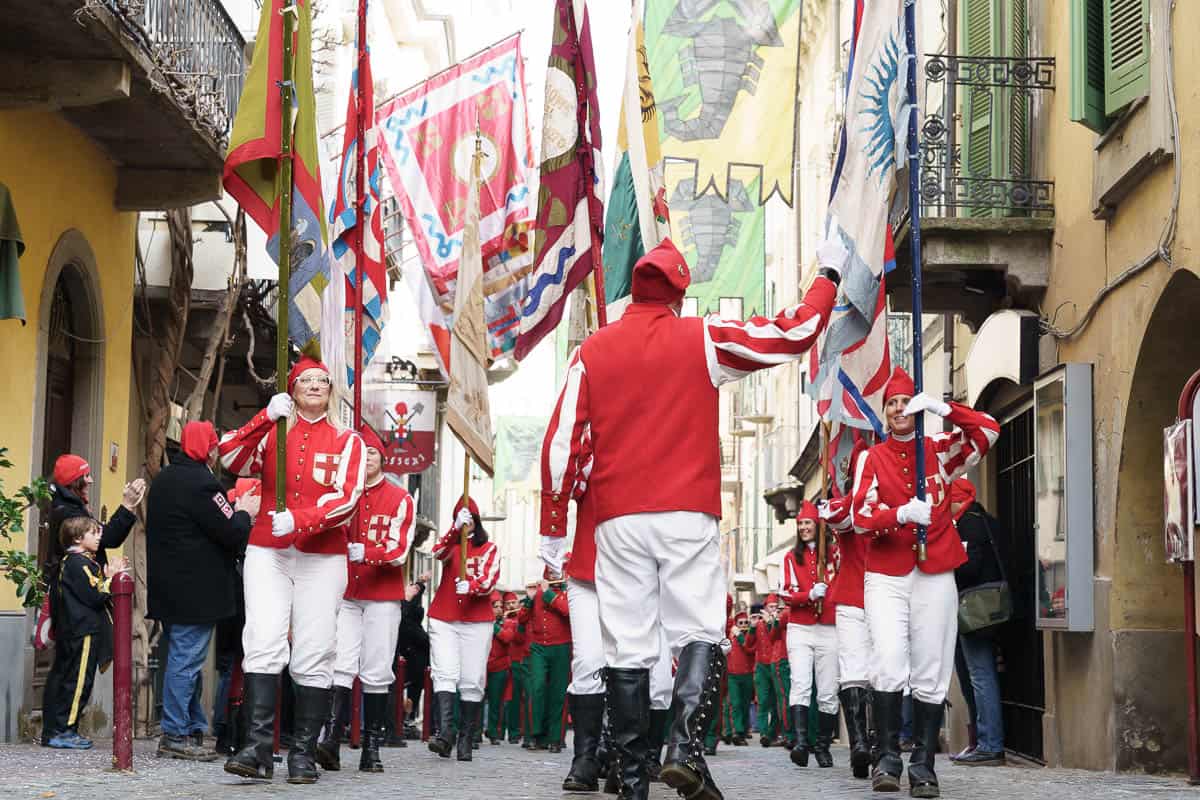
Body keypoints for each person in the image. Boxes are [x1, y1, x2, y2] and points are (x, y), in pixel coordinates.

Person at [540, 236, 842, 800]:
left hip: (617, 518)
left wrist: (553, 527)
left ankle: (632, 782)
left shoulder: (592, 350)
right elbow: (793, 333)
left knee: (627, 648)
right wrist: (828, 277)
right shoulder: (701, 335)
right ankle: (683, 750)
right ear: (679, 295)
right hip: (687, 509)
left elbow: (561, 445)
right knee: (700, 631)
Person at [851, 367, 999, 797]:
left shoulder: (938, 450)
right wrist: (898, 514)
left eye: (906, 402)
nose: (899, 409)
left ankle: (922, 765)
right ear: (884, 413)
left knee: (932, 669)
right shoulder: (871, 458)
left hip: (934, 569)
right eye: (892, 404)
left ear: (916, 409)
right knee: (889, 661)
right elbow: (860, 517)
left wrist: (944, 408)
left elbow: (988, 431)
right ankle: (886, 758)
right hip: (887, 574)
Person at [219, 356, 366, 783]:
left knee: (314, 649)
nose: (314, 386)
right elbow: (230, 458)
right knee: (262, 639)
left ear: (331, 390)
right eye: (305, 380)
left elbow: (348, 499)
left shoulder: (348, 441)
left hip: (323, 555)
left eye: (322, 380)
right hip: (269, 548)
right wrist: (264, 418)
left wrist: (302, 520)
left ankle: (302, 753)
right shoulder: (274, 430)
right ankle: (257, 747)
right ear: (292, 388)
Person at [146, 421, 259, 761]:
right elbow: (231, 532)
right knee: (186, 661)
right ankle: (174, 734)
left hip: (168, 589)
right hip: (196, 592)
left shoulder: (164, 479)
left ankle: (192, 726)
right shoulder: (204, 485)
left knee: (183, 657)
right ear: (209, 450)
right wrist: (244, 513)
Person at [315, 425, 414, 773]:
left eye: (371, 452)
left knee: (376, 668)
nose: (366, 458)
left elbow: (400, 550)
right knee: (340, 662)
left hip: (382, 595)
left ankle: (371, 747)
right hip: (346, 592)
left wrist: (369, 553)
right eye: (361, 452)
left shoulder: (400, 498)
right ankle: (330, 739)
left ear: (382, 458)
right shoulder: (342, 494)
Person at [40, 455, 145, 746]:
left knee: (65, 671)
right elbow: (108, 540)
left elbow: (104, 538)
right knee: (75, 675)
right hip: (80, 617)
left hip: (73, 611)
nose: (91, 479)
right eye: (85, 476)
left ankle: (56, 730)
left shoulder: (67, 508)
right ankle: (62, 730)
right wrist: (127, 506)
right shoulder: (69, 516)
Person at [426, 496, 500, 761]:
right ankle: (446, 732)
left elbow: (490, 579)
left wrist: (473, 586)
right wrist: (454, 529)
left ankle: (466, 738)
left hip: (476, 620)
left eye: (468, 519)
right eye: (460, 518)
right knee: (444, 673)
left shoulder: (489, 548)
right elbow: (436, 553)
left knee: (472, 679)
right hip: (445, 616)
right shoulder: (452, 546)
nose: (466, 523)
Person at [45, 517, 122, 749]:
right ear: (78, 538)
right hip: (83, 630)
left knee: (71, 679)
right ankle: (65, 730)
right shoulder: (79, 564)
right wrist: (110, 578)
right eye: (93, 533)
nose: (99, 536)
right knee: (79, 682)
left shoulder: (70, 562)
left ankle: (61, 729)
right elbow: (95, 596)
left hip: (73, 630)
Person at [949, 478, 1007, 767]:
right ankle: (979, 741)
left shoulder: (969, 523)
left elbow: (969, 567)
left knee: (980, 675)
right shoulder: (982, 519)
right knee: (973, 675)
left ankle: (990, 744)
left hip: (975, 609)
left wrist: (944, 561)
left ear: (956, 500)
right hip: (977, 607)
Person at [780, 501, 840, 769]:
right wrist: (808, 595)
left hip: (829, 627)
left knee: (828, 690)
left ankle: (823, 746)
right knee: (801, 684)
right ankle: (802, 743)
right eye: (801, 524)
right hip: (800, 627)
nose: (804, 528)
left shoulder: (834, 553)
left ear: (818, 525)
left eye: (808, 523)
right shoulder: (790, 557)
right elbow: (785, 592)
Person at [821, 492, 873, 779]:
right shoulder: (851, 503)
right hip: (852, 596)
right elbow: (835, 514)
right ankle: (859, 745)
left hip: (888, 597)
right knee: (853, 671)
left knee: (886, 673)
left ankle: (882, 745)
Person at [519, 568, 571, 753]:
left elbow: (567, 611)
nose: (553, 575)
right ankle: (535, 734)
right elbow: (522, 619)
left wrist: (548, 593)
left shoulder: (568, 591)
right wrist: (529, 599)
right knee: (537, 687)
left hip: (561, 646)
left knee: (558, 692)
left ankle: (555, 738)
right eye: (550, 572)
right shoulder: (538, 592)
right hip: (539, 647)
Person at [397, 573, 430, 738]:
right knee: (402, 689)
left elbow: (416, 595)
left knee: (415, 690)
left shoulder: (412, 603)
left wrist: (421, 583)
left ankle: (407, 719)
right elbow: (405, 621)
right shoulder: (403, 606)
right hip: (408, 650)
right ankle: (401, 721)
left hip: (418, 653)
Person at [750, 600, 782, 747]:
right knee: (762, 702)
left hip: (775, 663)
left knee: (776, 703)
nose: (773, 609)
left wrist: (772, 622)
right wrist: (752, 627)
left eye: (775, 607)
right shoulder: (758, 623)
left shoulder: (778, 621)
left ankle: (772, 734)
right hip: (761, 666)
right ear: (765, 608)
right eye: (771, 607)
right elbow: (748, 645)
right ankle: (763, 733)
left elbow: (776, 637)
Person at [501, 591, 529, 745]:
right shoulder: (502, 619)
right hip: (507, 663)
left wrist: (509, 623)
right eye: (508, 604)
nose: (511, 606)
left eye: (513, 603)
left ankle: (524, 731)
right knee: (512, 700)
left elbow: (518, 638)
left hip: (521, 661)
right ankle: (512, 732)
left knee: (525, 699)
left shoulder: (521, 618)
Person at [724, 611, 754, 746]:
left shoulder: (749, 635)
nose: (743, 625)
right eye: (740, 623)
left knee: (745, 705)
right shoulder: (730, 636)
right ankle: (737, 732)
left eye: (746, 622)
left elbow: (749, 649)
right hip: (733, 675)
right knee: (735, 704)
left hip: (747, 674)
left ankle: (743, 730)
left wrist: (740, 635)